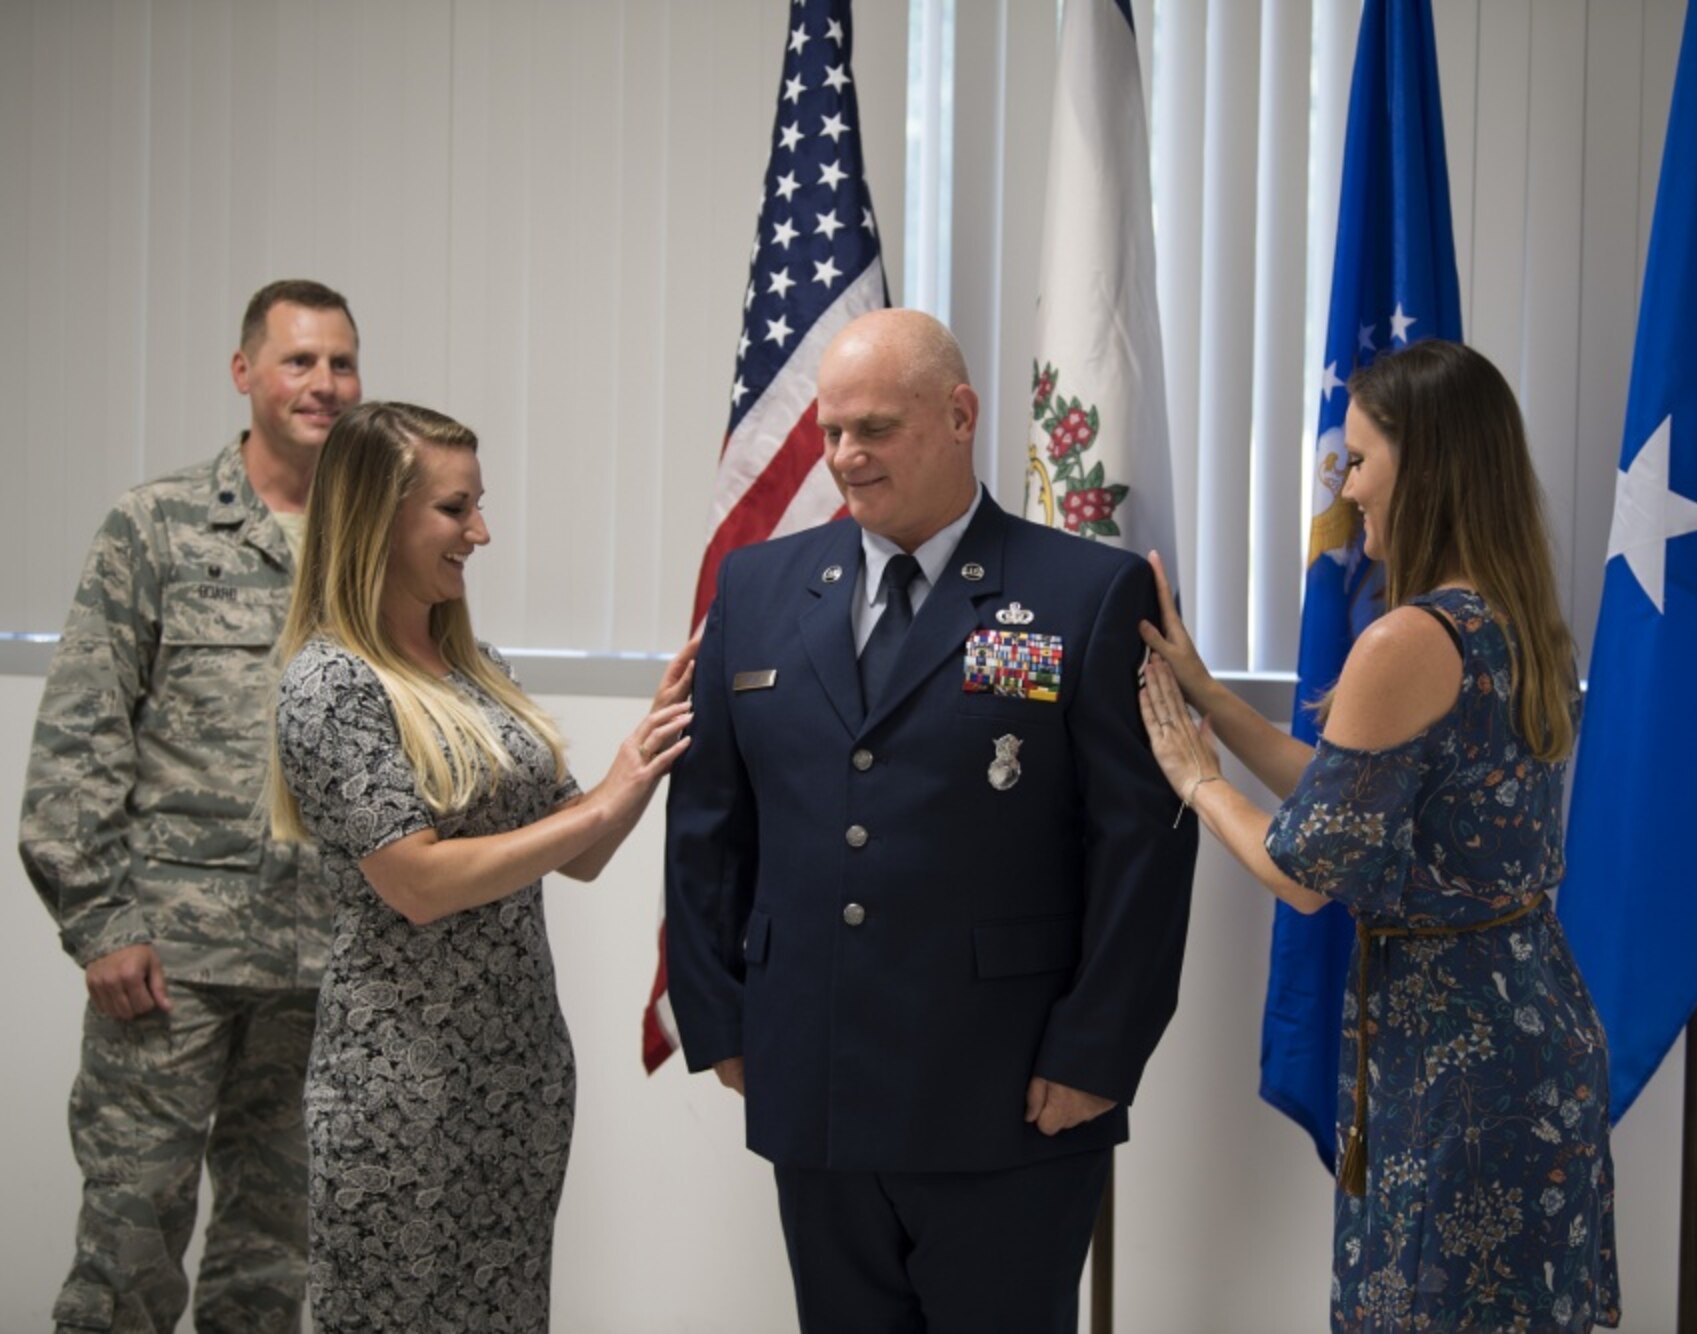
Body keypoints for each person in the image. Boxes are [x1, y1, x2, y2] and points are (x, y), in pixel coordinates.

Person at [666, 308, 1197, 1334]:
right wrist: (721, 1016)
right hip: (814, 1077)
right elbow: (708, 822)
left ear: (958, 414)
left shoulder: (1082, 591)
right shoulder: (760, 583)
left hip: (1007, 1089)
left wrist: (1097, 1049)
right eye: (828, 432)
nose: (844, 458)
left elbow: (1139, 845)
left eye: (873, 428)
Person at [1138, 340, 1620, 1332]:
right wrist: (1212, 699)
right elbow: (1345, 801)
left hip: (1455, 1071)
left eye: (1358, 459)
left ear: (1425, 463)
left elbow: (1307, 869)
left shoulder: (1405, 640)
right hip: (1530, 1033)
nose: (1344, 484)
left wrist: (1194, 778)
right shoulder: (1514, 615)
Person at [269, 401, 693, 1332]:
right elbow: (416, 884)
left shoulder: (473, 668)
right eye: (456, 509)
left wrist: (648, 751)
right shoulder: (332, 681)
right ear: (379, 515)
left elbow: (580, 853)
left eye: (479, 505)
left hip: (516, 1076)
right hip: (400, 1092)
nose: (482, 532)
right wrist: (609, 794)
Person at [20, 279, 361, 1333]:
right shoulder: (157, 525)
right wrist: (100, 921)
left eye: (341, 362)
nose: (323, 383)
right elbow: (80, 733)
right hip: (170, 967)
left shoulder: (374, 536)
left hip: (320, 968)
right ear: (244, 371)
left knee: (273, 1259)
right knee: (128, 1247)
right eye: (299, 359)